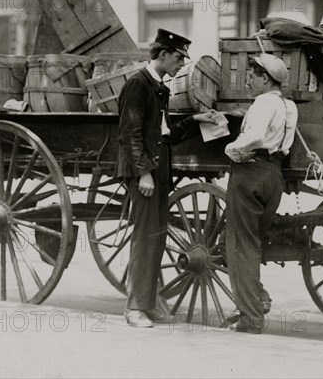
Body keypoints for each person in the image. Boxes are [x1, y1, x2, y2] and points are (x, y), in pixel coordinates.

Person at [116, 28, 218, 328]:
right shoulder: (137, 85)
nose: (181, 64)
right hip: (144, 171)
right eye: (177, 57)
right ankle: (135, 307)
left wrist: (195, 120)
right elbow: (129, 135)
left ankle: (149, 302)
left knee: (156, 236)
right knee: (144, 237)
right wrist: (144, 173)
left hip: (159, 167)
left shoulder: (159, 87)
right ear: (162, 54)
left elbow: (165, 134)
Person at [224, 53, 298, 334]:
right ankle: (256, 299)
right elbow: (286, 144)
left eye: (252, 76)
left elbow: (253, 137)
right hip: (273, 176)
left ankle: (251, 318)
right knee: (252, 242)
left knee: (241, 244)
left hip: (250, 172)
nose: (249, 80)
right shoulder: (289, 106)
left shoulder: (262, 103)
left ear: (265, 79)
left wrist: (231, 150)